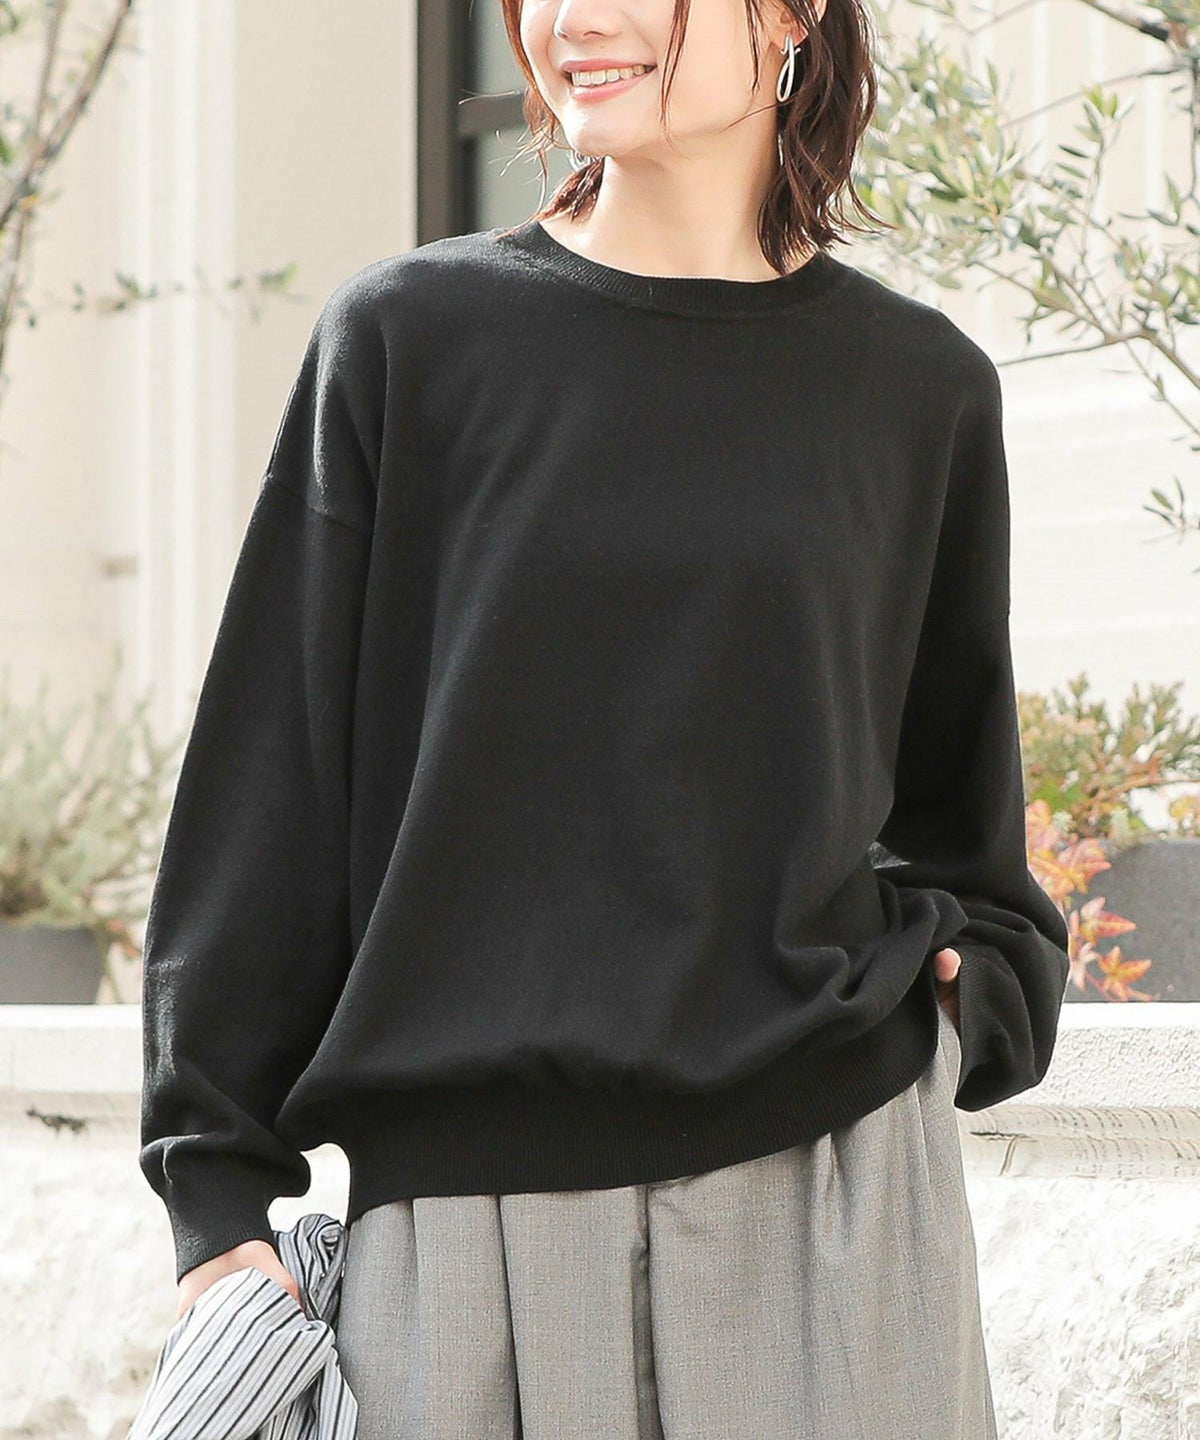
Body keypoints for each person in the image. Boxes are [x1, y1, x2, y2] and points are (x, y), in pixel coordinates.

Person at [137, 0, 1072, 1435]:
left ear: (792, 13)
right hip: (466, 1231)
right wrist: (214, 1194)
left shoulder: (918, 389)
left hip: (828, 1205)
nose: (575, 17)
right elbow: (271, 788)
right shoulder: (408, 340)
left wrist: (978, 993)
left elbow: (966, 823)